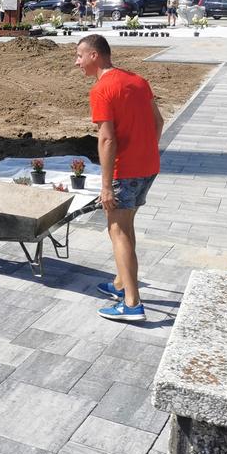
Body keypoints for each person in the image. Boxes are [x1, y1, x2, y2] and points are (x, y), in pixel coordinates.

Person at [75, 34, 164, 323]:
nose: (77, 62)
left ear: (94, 55)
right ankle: (120, 283)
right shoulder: (138, 81)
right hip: (148, 167)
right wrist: (145, 152)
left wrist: (105, 186)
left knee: (117, 231)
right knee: (126, 226)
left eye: (79, 56)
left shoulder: (102, 89)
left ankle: (132, 304)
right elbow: (159, 121)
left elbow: (107, 140)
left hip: (124, 172)